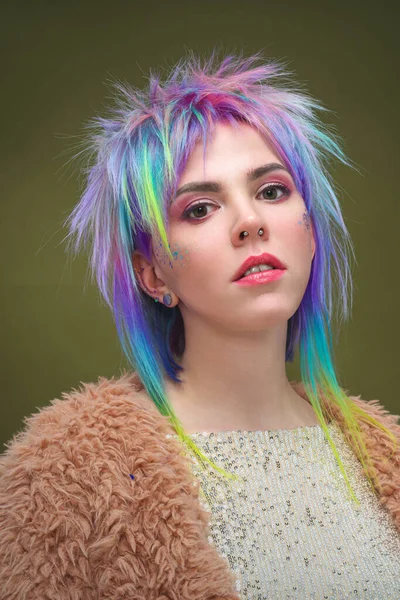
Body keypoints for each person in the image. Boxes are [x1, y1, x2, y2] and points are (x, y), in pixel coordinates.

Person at [0, 53, 399, 600]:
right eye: (200, 208)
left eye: (272, 191)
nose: (251, 222)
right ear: (151, 272)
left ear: (310, 231)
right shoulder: (62, 478)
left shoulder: (385, 452)